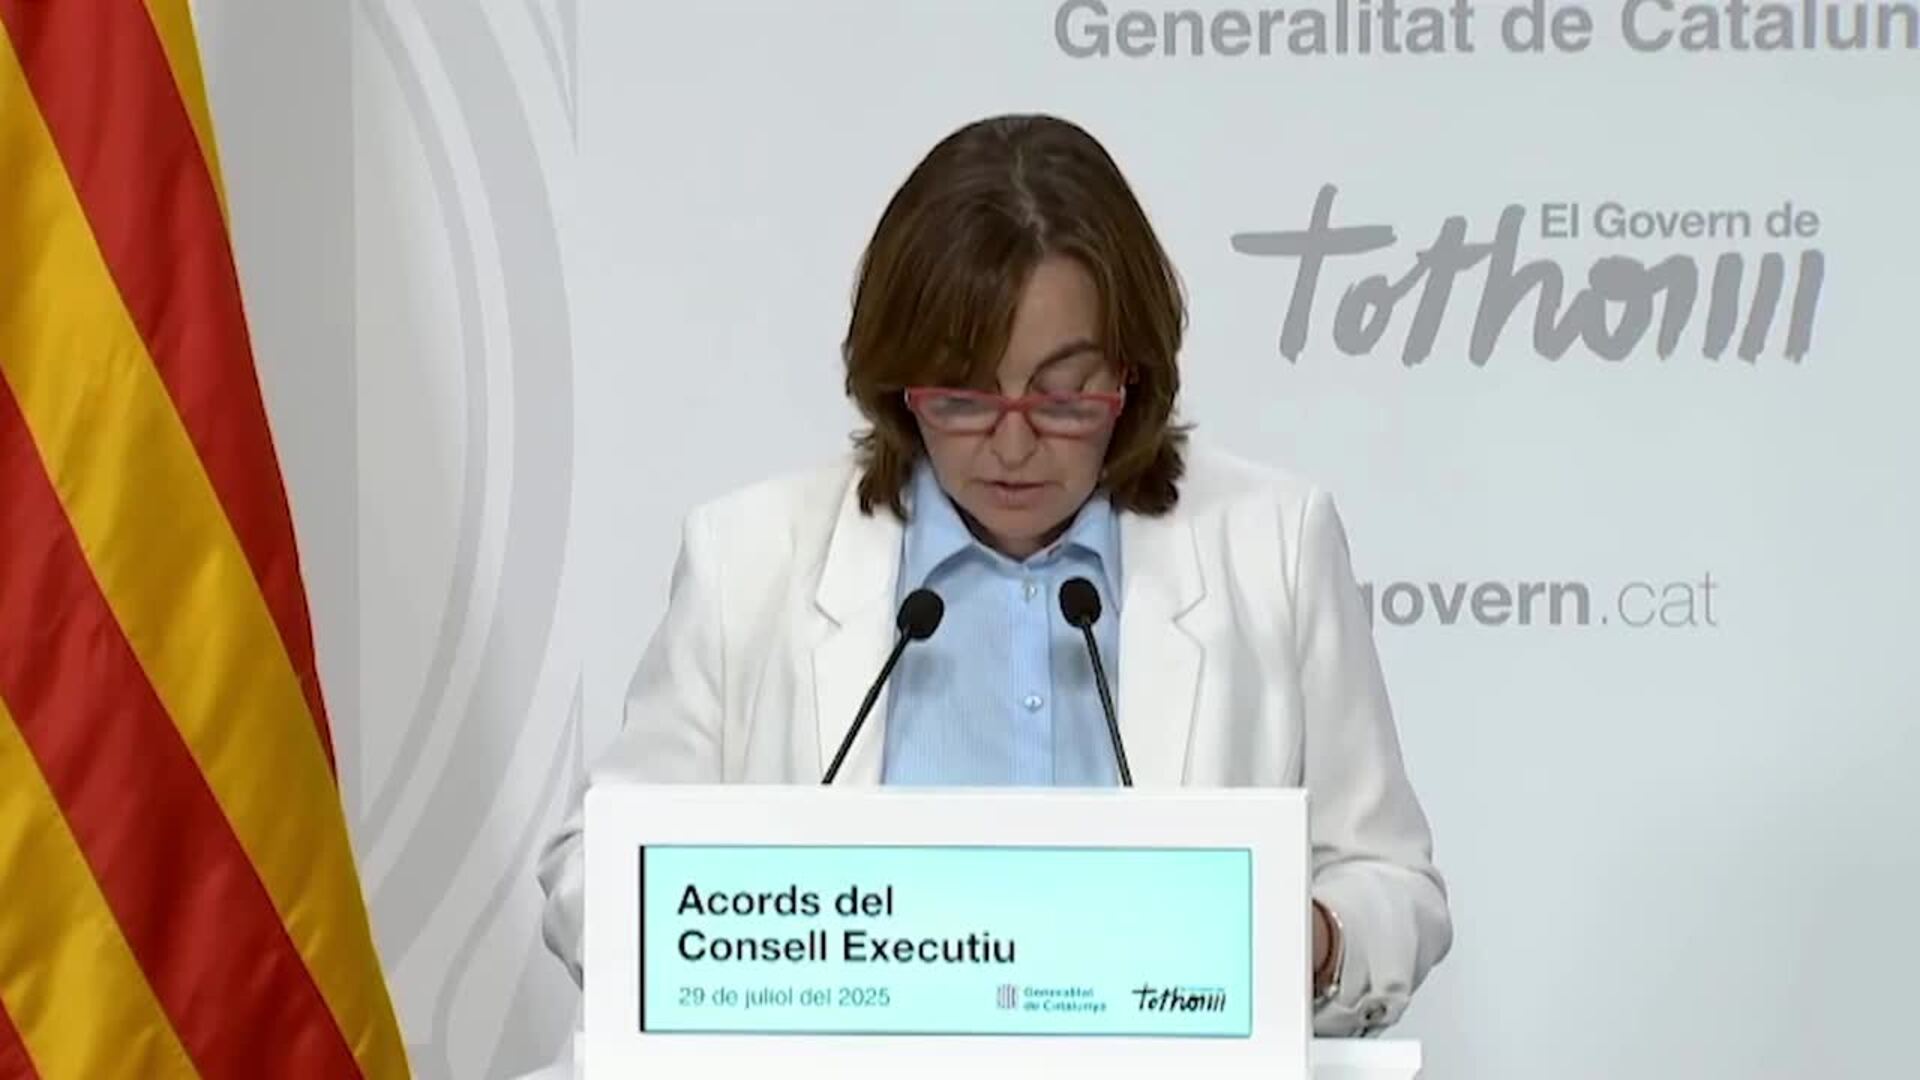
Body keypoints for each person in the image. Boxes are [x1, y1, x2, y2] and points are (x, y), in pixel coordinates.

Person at [536, 113, 1451, 1036]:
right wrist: (745, 939)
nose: (1013, 446)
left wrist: (1312, 941)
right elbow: (590, 874)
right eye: (965, 397)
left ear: (1131, 378)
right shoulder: (749, 559)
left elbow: (1392, 883)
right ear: (899, 383)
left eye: (1064, 397)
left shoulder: (1274, 545)